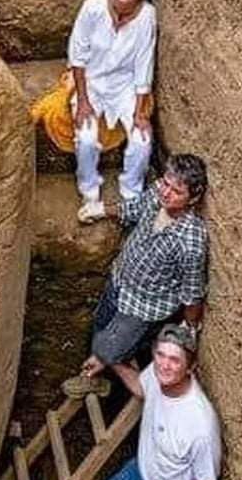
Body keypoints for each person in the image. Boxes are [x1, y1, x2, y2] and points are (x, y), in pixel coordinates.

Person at [62, 154, 209, 395]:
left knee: (108, 349)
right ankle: (100, 373)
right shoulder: (156, 195)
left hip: (143, 307)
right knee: (100, 325)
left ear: (193, 197)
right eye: (166, 183)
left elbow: (192, 292)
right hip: (119, 281)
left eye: (177, 191)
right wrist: (100, 210)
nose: (166, 192)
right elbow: (133, 208)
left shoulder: (191, 241)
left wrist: (190, 327)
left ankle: (123, 384)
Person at [90, 323, 221, 480]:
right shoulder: (156, 372)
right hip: (145, 474)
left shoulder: (200, 426)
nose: (165, 365)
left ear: (191, 366)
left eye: (175, 360)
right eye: (160, 355)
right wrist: (110, 360)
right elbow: (141, 387)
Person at [66, 0, 156, 220]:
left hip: (124, 86)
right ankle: (89, 190)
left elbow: (143, 65)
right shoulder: (94, 6)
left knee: (142, 139)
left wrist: (140, 112)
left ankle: (131, 195)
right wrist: (82, 100)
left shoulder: (147, 16)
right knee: (85, 137)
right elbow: (78, 56)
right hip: (91, 82)